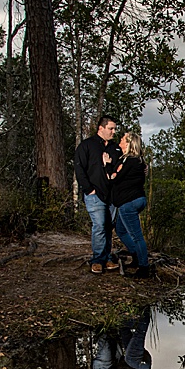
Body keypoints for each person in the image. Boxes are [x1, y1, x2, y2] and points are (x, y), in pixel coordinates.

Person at [73, 116, 121, 274]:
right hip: (95, 194)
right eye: (111, 129)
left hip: (112, 195)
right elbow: (79, 170)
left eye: (115, 129)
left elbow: (120, 168)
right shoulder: (87, 146)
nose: (114, 132)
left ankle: (107, 258)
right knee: (99, 226)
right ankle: (97, 260)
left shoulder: (115, 148)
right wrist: (89, 189)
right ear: (101, 128)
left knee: (108, 227)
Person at [107, 132, 152, 278]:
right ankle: (136, 256)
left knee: (137, 236)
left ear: (129, 143)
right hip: (136, 200)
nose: (120, 140)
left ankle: (144, 267)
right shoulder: (137, 161)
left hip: (129, 203)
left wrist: (107, 165)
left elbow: (114, 179)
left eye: (122, 139)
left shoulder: (129, 161)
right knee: (121, 230)